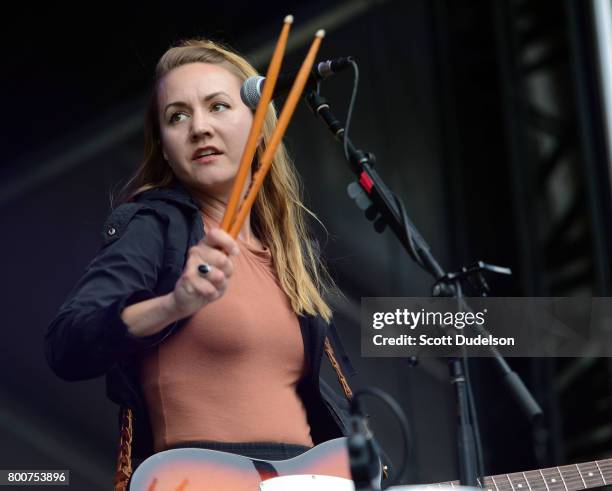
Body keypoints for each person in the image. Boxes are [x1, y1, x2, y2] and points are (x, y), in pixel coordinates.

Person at [44, 38, 357, 489]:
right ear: (165, 149)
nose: (199, 128)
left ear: (259, 124)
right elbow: (66, 343)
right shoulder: (157, 227)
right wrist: (174, 303)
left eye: (218, 106)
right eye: (177, 116)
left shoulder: (293, 259)